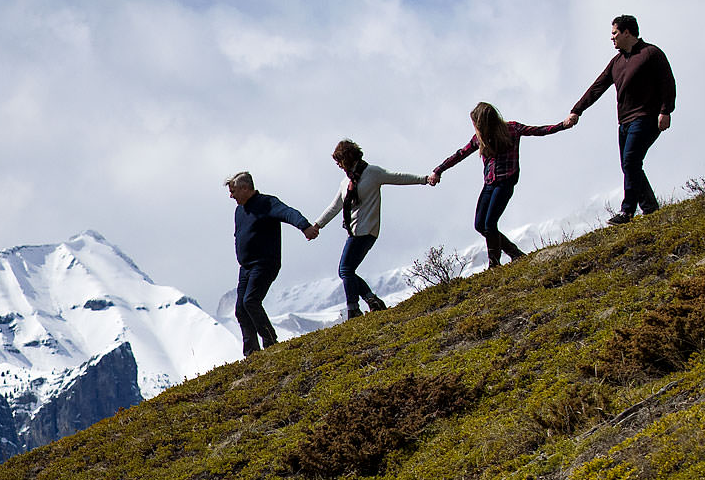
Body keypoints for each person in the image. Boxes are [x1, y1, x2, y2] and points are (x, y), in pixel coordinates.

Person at [427, 102, 571, 268]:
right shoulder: (479, 139)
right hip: (489, 183)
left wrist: (562, 125)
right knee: (480, 225)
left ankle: (494, 264)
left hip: (506, 182)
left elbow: (538, 131)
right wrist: (439, 170)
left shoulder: (512, 129)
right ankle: (515, 253)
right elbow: (460, 154)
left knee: (490, 224)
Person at [303, 139, 430, 321]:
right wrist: (317, 225)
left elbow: (398, 177)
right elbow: (335, 206)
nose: (338, 165)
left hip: (366, 230)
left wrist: (424, 179)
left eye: (339, 160)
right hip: (355, 230)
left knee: (345, 270)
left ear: (347, 157)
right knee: (347, 270)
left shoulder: (372, 173)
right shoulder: (346, 182)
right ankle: (372, 300)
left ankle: (354, 309)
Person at [571, 14, 675, 224]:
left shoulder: (651, 53)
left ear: (627, 32)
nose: (612, 38)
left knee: (631, 161)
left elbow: (668, 83)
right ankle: (650, 208)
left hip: (646, 117)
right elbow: (597, 87)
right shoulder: (616, 62)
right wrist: (577, 110)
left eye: (614, 33)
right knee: (630, 165)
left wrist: (666, 111)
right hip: (624, 122)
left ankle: (627, 211)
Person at [226, 171, 311, 356]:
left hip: (265, 263)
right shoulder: (239, 210)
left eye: (233, 191)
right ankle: (252, 353)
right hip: (246, 267)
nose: (231, 196)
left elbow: (288, 213)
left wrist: (304, 226)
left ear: (245, 188)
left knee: (251, 301)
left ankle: (270, 342)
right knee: (241, 309)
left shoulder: (267, 203)